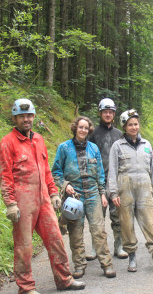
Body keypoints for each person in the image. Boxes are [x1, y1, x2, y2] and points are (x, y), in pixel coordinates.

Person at [0, 99, 85, 293]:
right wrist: (10, 203)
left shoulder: (38, 139)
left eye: (29, 115)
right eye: (22, 116)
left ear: (34, 117)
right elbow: (5, 175)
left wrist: (53, 192)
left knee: (56, 239)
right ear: (15, 118)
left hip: (43, 199)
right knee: (24, 246)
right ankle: (26, 287)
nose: (26, 119)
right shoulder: (7, 142)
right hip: (23, 200)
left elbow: (46, 169)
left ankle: (64, 279)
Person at [52, 116, 116, 279]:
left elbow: (100, 172)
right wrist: (65, 184)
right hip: (74, 196)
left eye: (86, 128)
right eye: (80, 127)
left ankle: (107, 264)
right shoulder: (64, 148)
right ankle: (79, 266)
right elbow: (56, 171)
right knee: (75, 232)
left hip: (93, 194)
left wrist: (102, 192)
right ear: (75, 128)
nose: (83, 130)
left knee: (99, 230)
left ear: (89, 130)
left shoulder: (93, 148)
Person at [109, 109, 153, 273]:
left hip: (144, 188)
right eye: (130, 125)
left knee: (149, 225)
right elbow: (112, 171)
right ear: (124, 126)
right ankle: (132, 258)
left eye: (136, 124)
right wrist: (113, 193)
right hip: (124, 189)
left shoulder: (147, 145)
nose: (134, 127)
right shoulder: (117, 146)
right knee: (126, 226)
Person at [87, 98, 127, 260]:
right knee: (97, 218)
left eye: (111, 112)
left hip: (116, 182)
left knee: (117, 217)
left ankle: (119, 246)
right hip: (98, 182)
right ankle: (95, 248)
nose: (108, 114)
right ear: (100, 113)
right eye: (105, 112)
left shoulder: (119, 134)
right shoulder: (92, 134)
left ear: (114, 114)